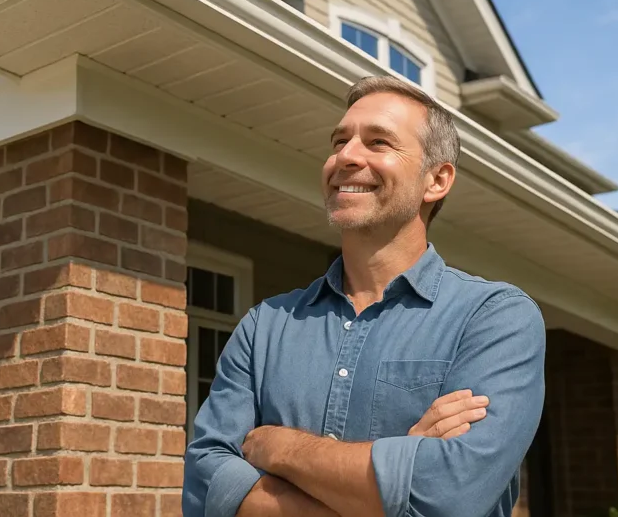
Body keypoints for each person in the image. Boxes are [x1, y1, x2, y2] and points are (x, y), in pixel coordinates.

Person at [182, 75, 546, 517]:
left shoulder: (494, 319)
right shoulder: (265, 325)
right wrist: (393, 474)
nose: (346, 157)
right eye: (339, 141)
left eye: (378, 142)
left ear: (437, 180)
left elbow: (452, 495)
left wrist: (277, 447)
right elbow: (205, 486)